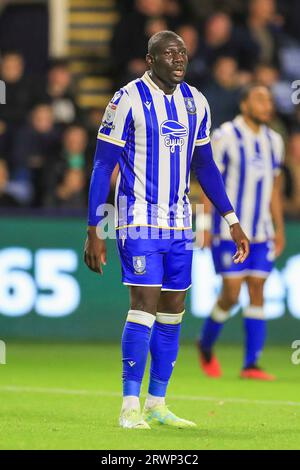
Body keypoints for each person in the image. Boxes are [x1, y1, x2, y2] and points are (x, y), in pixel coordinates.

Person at [84, 30, 249, 429]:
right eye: (169, 53)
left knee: (173, 309)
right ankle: (129, 404)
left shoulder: (197, 103)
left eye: (183, 53)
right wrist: (93, 227)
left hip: (179, 222)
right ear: (150, 59)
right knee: (143, 304)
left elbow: (205, 166)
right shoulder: (126, 100)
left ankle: (157, 402)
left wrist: (232, 220)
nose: (179, 59)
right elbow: (103, 164)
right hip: (137, 218)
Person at [197, 83, 285, 381]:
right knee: (232, 294)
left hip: (261, 231)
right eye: (260, 99)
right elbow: (209, 183)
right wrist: (204, 226)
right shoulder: (224, 136)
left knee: (258, 290)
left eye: (269, 100)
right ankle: (205, 344)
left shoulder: (275, 140)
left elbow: (273, 188)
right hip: (228, 230)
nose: (267, 105)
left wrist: (279, 228)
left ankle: (251, 364)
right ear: (244, 104)